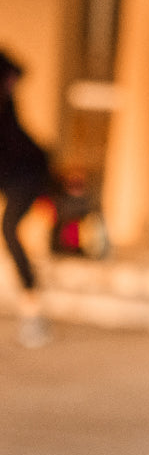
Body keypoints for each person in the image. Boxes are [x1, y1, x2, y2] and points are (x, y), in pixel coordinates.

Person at [1, 49, 55, 347]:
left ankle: (33, 310)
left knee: (10, 229)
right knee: (9, 230)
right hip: (13, 175)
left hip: (27, 176)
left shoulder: (5, 109)